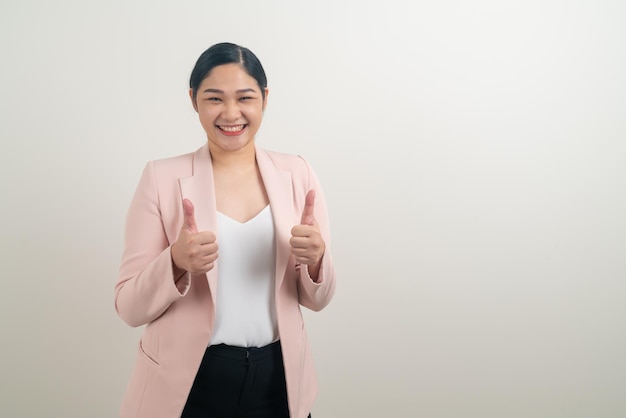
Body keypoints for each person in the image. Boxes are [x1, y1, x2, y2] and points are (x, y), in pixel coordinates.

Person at [115, 42, 336, 418]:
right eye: (214, 98)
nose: (231, 113)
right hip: (187, 384)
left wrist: (316, 262)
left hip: (279, 380)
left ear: (264, 98)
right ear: (193, 100)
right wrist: (175, 262)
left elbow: (318, 299)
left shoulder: (297, 173)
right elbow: (128, 307)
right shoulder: (161, 178)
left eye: (245, 97)